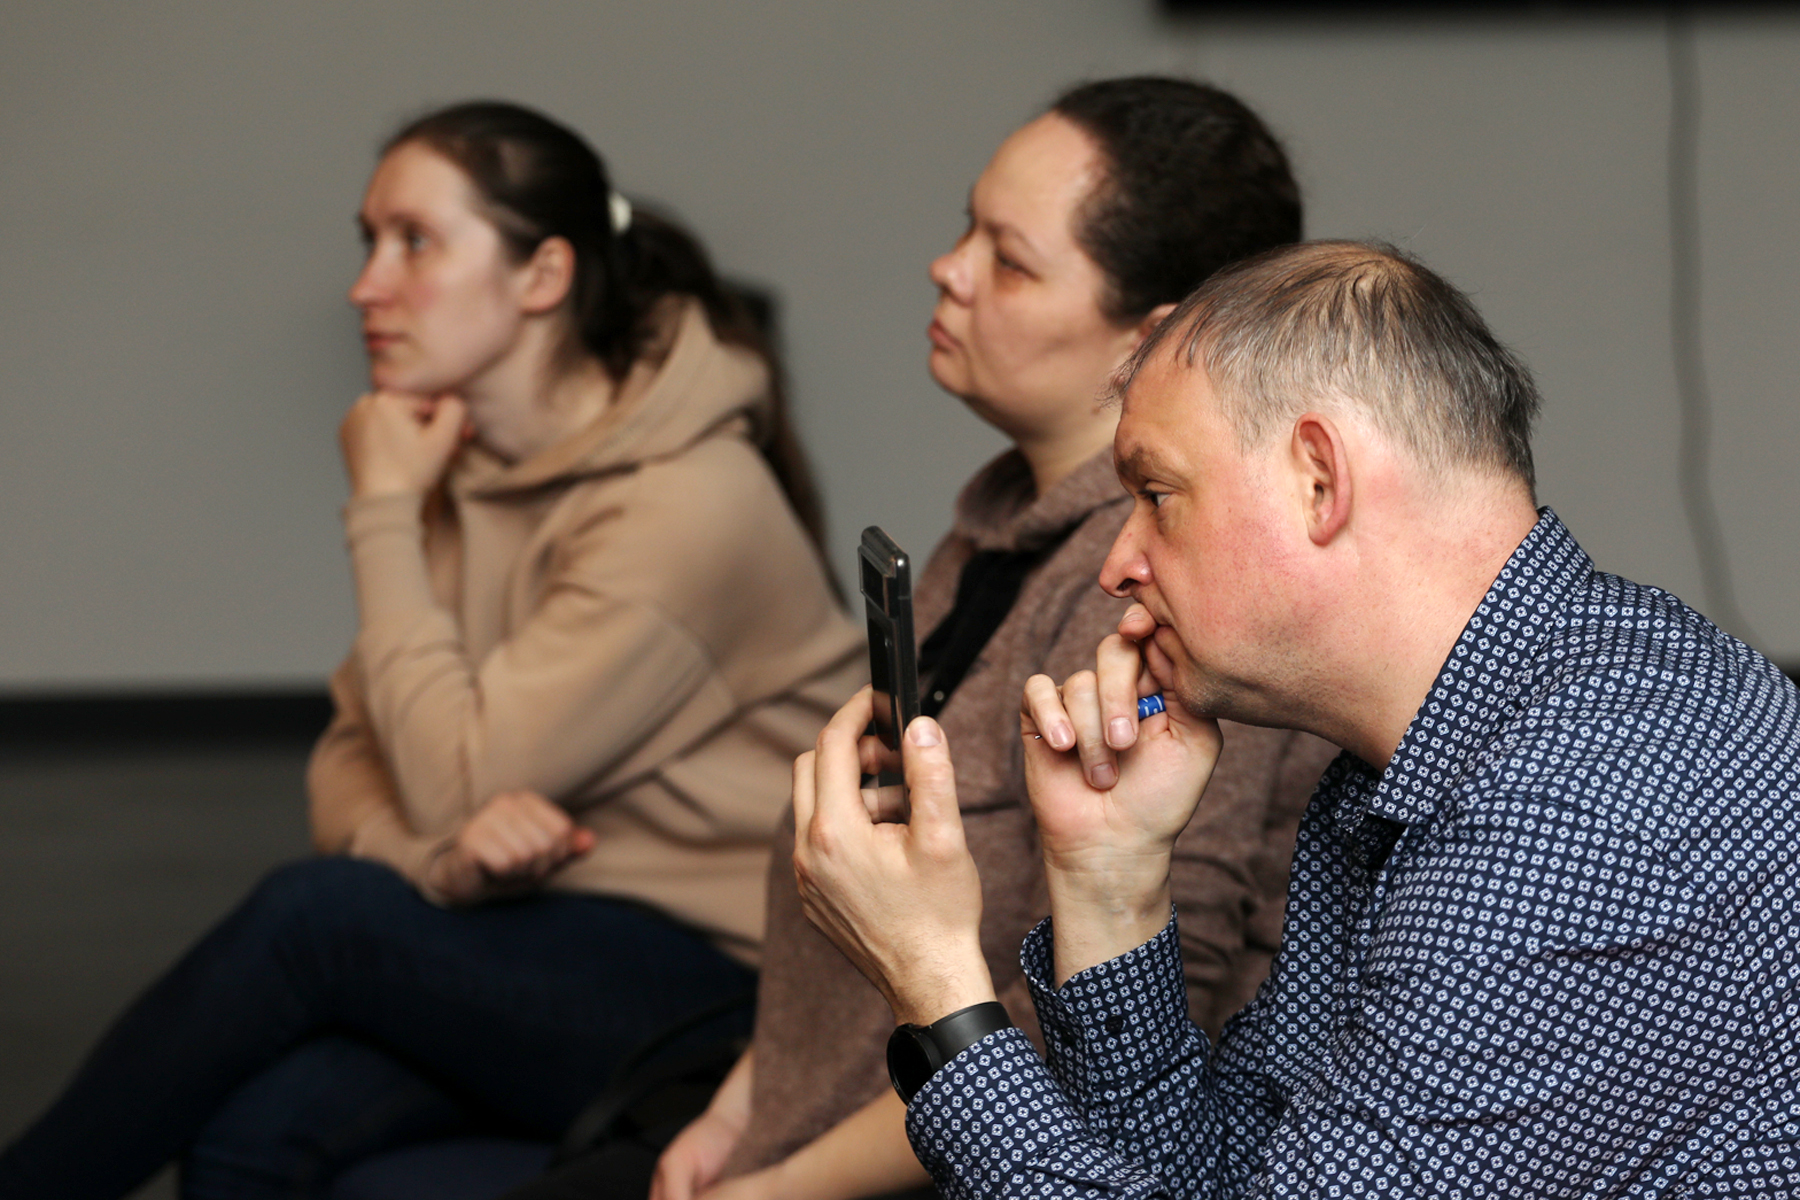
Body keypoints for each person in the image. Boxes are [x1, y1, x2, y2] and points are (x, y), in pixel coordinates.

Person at [792, 239, 1800, 1197]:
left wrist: (936, 990)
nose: (1118, 566)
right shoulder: (1432, 747)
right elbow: (1221, 1176)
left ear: (1320, 480)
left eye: (1156, 494)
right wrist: (1109, 885)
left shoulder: (1580, 811)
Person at [0, 101, 862, 1200]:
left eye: (414, 242)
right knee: (255, 1135)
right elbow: (349, 760)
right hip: (537, 937)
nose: (366, 286)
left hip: (734, 994)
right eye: (369, 242)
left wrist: (382, 514)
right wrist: (434, 862)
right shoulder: (466, 463)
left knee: (313, 921)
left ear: (543, 275)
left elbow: (455, 777)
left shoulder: (688, 506)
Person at [504, 78, 1335, 1200]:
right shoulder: (991, 531)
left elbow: (1124, 1011)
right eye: (966, 229)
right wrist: (737, 1114)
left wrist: (781, 1188)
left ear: (1151, 340)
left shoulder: (1150, 589)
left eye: (1010, 260)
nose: (949, 269)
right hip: (804, 1129)